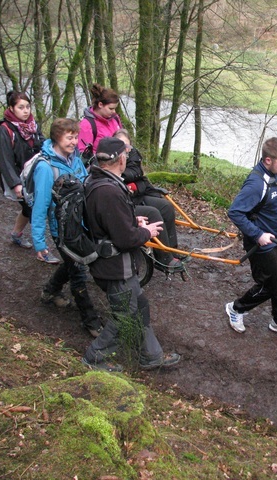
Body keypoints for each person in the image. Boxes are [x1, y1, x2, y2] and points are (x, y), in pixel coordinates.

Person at [82, 137, 181, 372]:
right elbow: (125, 239)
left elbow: (107, 220)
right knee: (125, 314)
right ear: (121, 159)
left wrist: (130, 220)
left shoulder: (100, 181)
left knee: (140, 305)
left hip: (117, 264)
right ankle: (94, 357)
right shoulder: (108, 191)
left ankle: (151, 355)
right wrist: (145, 231)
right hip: (115, 266)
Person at [31, 118, 104, 337]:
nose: (73, 141)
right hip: (61, 228)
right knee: (78, 271)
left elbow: (85, 184)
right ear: (56, 137)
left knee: (72, 262)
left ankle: (50, 290)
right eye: (69, 137)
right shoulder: (46, 167)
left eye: (75, 136)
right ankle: (90, 321)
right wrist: (39, 241)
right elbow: (40, 204)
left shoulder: (75, 160)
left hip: (79, 222)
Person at [225, 137, 277, 338]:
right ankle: (236, 308)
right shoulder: (256, 183)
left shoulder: (276, 176)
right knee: (268, 286)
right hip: (261, 244)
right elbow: (234, 212)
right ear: (268, 160)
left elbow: (272, 201)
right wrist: (258, 235)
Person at [112, 129, 182, 271]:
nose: (125, 150)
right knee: (153, 213)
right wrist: (130, 185)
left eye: (127, 146)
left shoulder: (132, 157)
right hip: (126, 202)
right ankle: (164, 259)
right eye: (121, 146)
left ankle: (172, 251)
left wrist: (134, 185)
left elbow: (142, 180)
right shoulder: (111, 162)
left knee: (166, 207)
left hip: (137, 196)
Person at [0, 91, 45, 250]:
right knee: (32, 208)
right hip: (16, 177)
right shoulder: (5, 130)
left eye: (28, 106)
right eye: (21, 107)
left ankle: (16, 234)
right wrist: (15, 184)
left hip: (33, 175)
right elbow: (5, 160)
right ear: (11, 108)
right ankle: (41, 246)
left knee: (28, 207)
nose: (25, 110)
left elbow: (42, 146)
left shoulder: (33, 126)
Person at [78, 83, 123, 155]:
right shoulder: (86, 125)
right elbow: (83, 154)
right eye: (111, 108)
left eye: (115, 108)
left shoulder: (115, 118)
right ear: (100, 105)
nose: (114, 111)